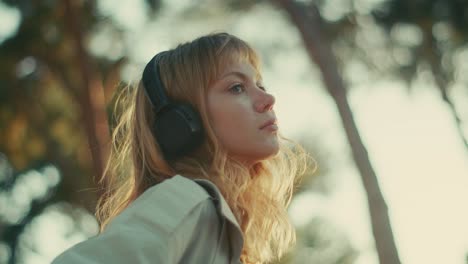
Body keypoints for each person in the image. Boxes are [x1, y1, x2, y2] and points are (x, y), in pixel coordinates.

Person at [52, 32, 310, 264]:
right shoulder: (188, 199)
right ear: (181, 122)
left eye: (260, 85)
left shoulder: (215, 224)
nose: (268, 99)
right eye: (237, 87)